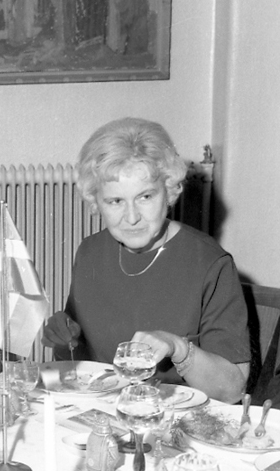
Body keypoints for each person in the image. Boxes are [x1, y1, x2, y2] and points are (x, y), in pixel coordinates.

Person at [42, 117, 250, 403]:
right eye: (115, 201)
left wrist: (177, 347)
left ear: (170, 190)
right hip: (105, 413)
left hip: (177, 419)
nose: (131, 218)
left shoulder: (210, 262)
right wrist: (65, 337)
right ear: (96, 201)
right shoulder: (90, 252)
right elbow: (83, 364)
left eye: (145, 197)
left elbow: (231, 390)